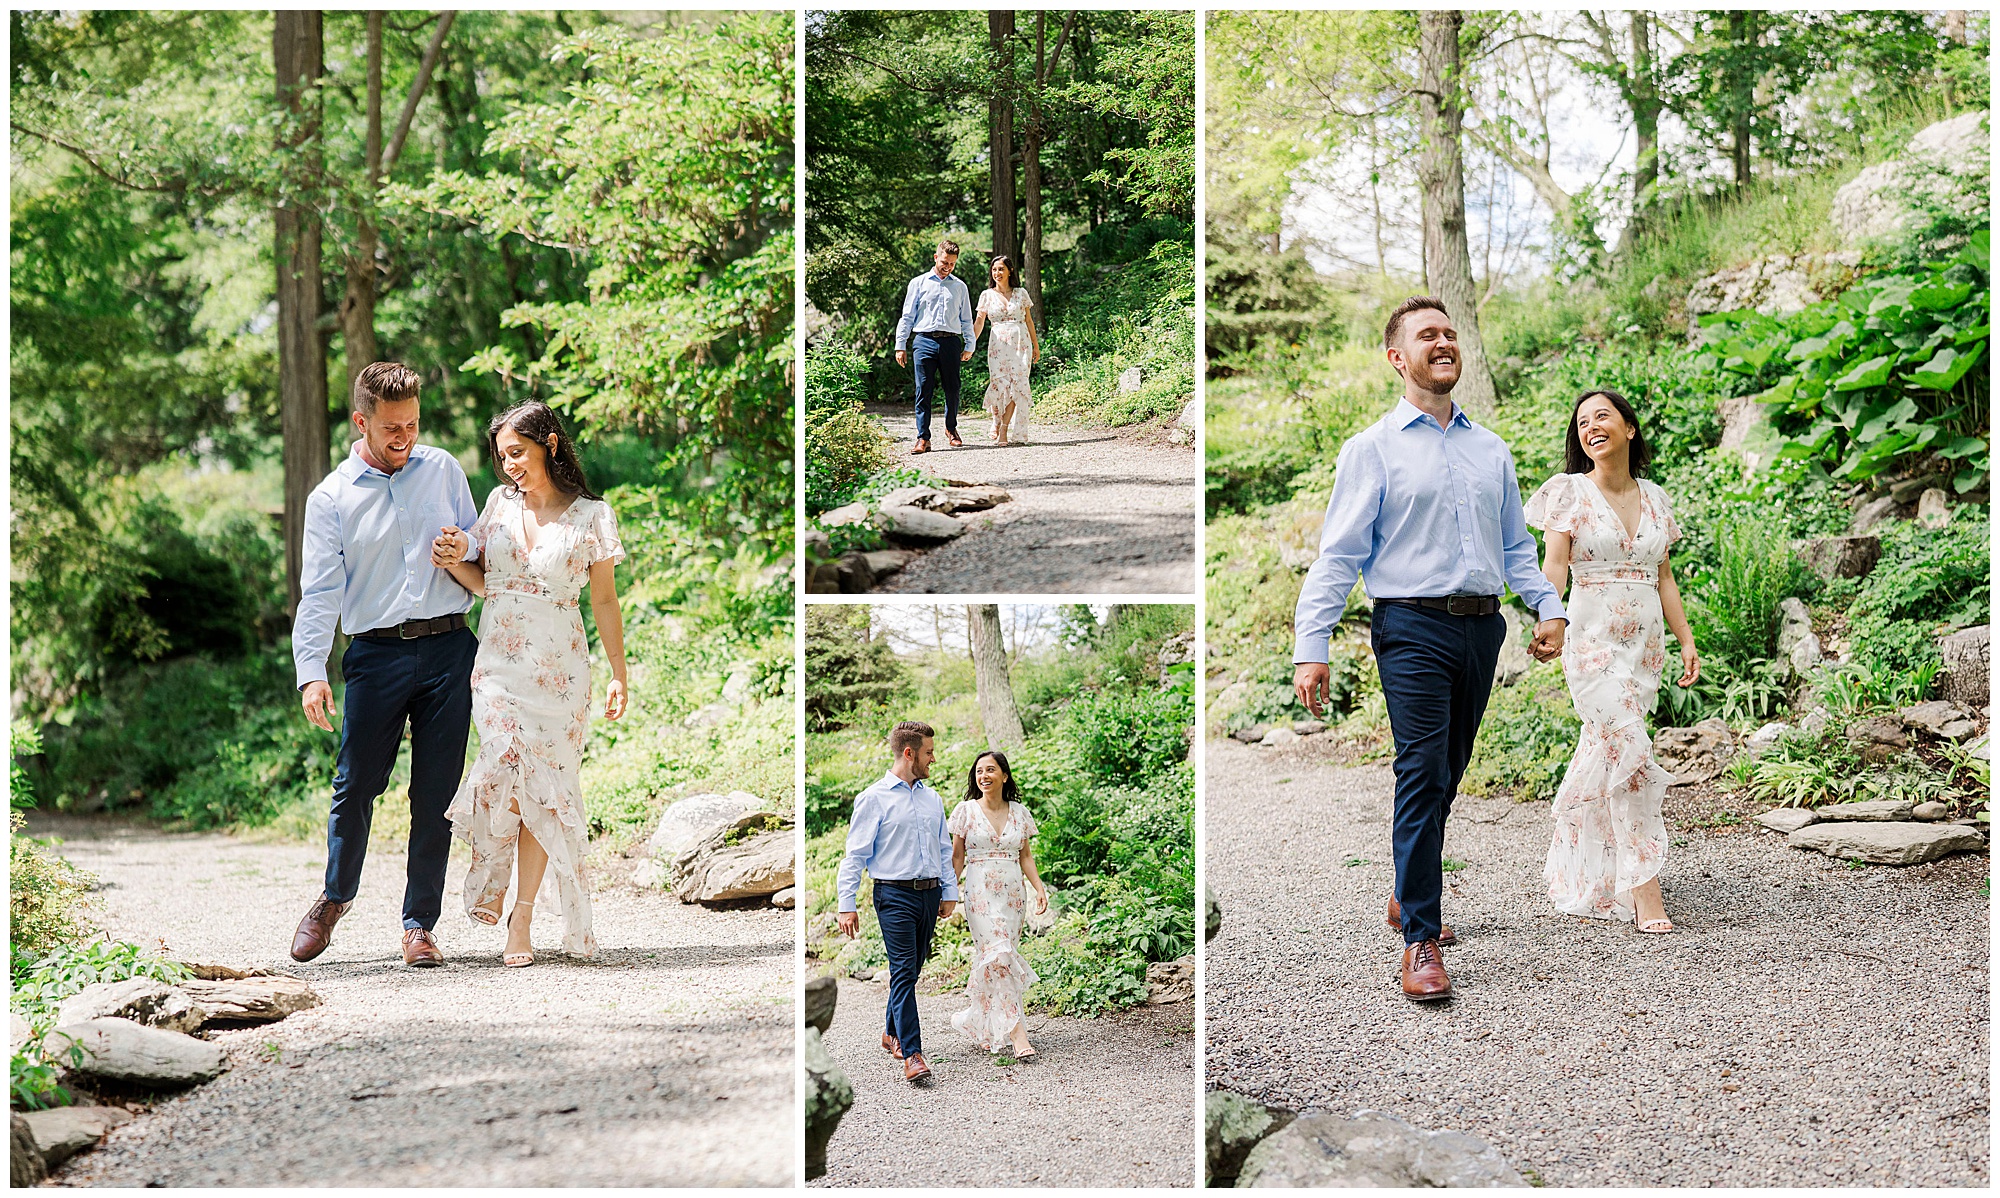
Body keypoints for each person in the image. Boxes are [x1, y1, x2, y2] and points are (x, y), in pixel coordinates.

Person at [1292, 296, 1568, 1003]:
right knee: (1421, 771)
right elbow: (1338, 556)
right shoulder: (1372, 449)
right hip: (1409, 626)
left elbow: (1515, 547)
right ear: (1397, 358)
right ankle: (1420, 937)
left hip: (1482, 628)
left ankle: (1405, 893)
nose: (1442, 342)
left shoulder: (1490, 449)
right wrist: (1311, 643)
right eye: (1426, 336)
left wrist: (1546, 605)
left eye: (1449, 333)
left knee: (1447, 773)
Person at [289, 361, 481, 968]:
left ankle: (419, 925)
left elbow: (480, 540)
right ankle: (334, 896)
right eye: (393, 427)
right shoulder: (331, 498)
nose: (406, 437)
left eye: (414, 424)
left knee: (436, 793)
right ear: (361, 421)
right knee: (357, 785)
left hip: (450, 648)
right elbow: (319, 593)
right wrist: (312, 669)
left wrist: (464, 548)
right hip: (375, 655)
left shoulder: (443, 469)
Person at [429, 401, 629, 966]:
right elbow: (485, 584)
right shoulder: (497, 505)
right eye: (502, 456)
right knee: (504, 768)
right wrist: (450, 561)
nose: (509, 465)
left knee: (543, 788)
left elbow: (605, 600)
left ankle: (522, 915)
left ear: (550, 443)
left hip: (560, 670)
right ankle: (493, 880)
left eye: (517, 452)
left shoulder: (593, 515)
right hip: (496, 665)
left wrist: (619, 673)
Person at [1525, 390, 1699, 934]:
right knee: (1631, 750)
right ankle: (1645, 887)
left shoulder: (1656, 498)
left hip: (1644, 648)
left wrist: (1686, 638)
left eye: (1602, 416)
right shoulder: (1569, 493)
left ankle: (1584, 869)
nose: (1590, 427)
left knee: (1608, 751)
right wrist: (1548, 619)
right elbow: (1554, 566)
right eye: (1582, 422)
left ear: (1628, 428)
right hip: (1592, 644)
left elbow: (1664, 577)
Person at [835, 721, 960, 1084]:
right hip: (893, 895)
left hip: (931, 893)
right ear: (910, 753)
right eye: (929, 753)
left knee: (913, 969)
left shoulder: (932, 798)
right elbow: (855, 855)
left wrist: (949, 891)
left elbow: (942, 850)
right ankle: (913, 1053)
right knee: (904, 970)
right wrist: (847, 903)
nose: (933, 759)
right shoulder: (873, 798)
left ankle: (891, 1032)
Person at [948, 750, 1048, 1059]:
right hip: (979, 894)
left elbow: (1026, 856)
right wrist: (947, 894)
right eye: (979, 771)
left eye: (990, 770)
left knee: (999, 960)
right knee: (999, 954)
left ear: (1004, 775)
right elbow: (957, 857)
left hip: (1013, 895)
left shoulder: (1019, 811)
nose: (984, 776)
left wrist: (1040, 888)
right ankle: (1018, 1034)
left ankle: (981, 1025)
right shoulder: (966, 811)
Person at [893, 239, 975, 455]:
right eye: (945, 262)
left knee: (953, 388)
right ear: (936, 257)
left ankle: (951, 429)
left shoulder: (960, 287)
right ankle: (923, 438)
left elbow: (966, 319)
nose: (948, 267)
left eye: (952, 264)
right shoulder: (918, 283)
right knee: (923, 390)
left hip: (950, 342)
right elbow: (907, 316)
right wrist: (900, 344)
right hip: (924, 341)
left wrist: (970, 344)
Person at [970, 255, 1040, 445]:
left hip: (1020, 343)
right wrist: (970, 345)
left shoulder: (1021, 293)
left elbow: (1029, 321)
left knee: (1016, 384)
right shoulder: (987, 295)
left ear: (1010, 271)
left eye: (1001, 269)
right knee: (999, 384)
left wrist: (1035, 345)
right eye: (994, 270)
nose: (997, 273)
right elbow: (979, 321)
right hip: (998, 345)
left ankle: (1004, 430)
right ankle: (996, 420)